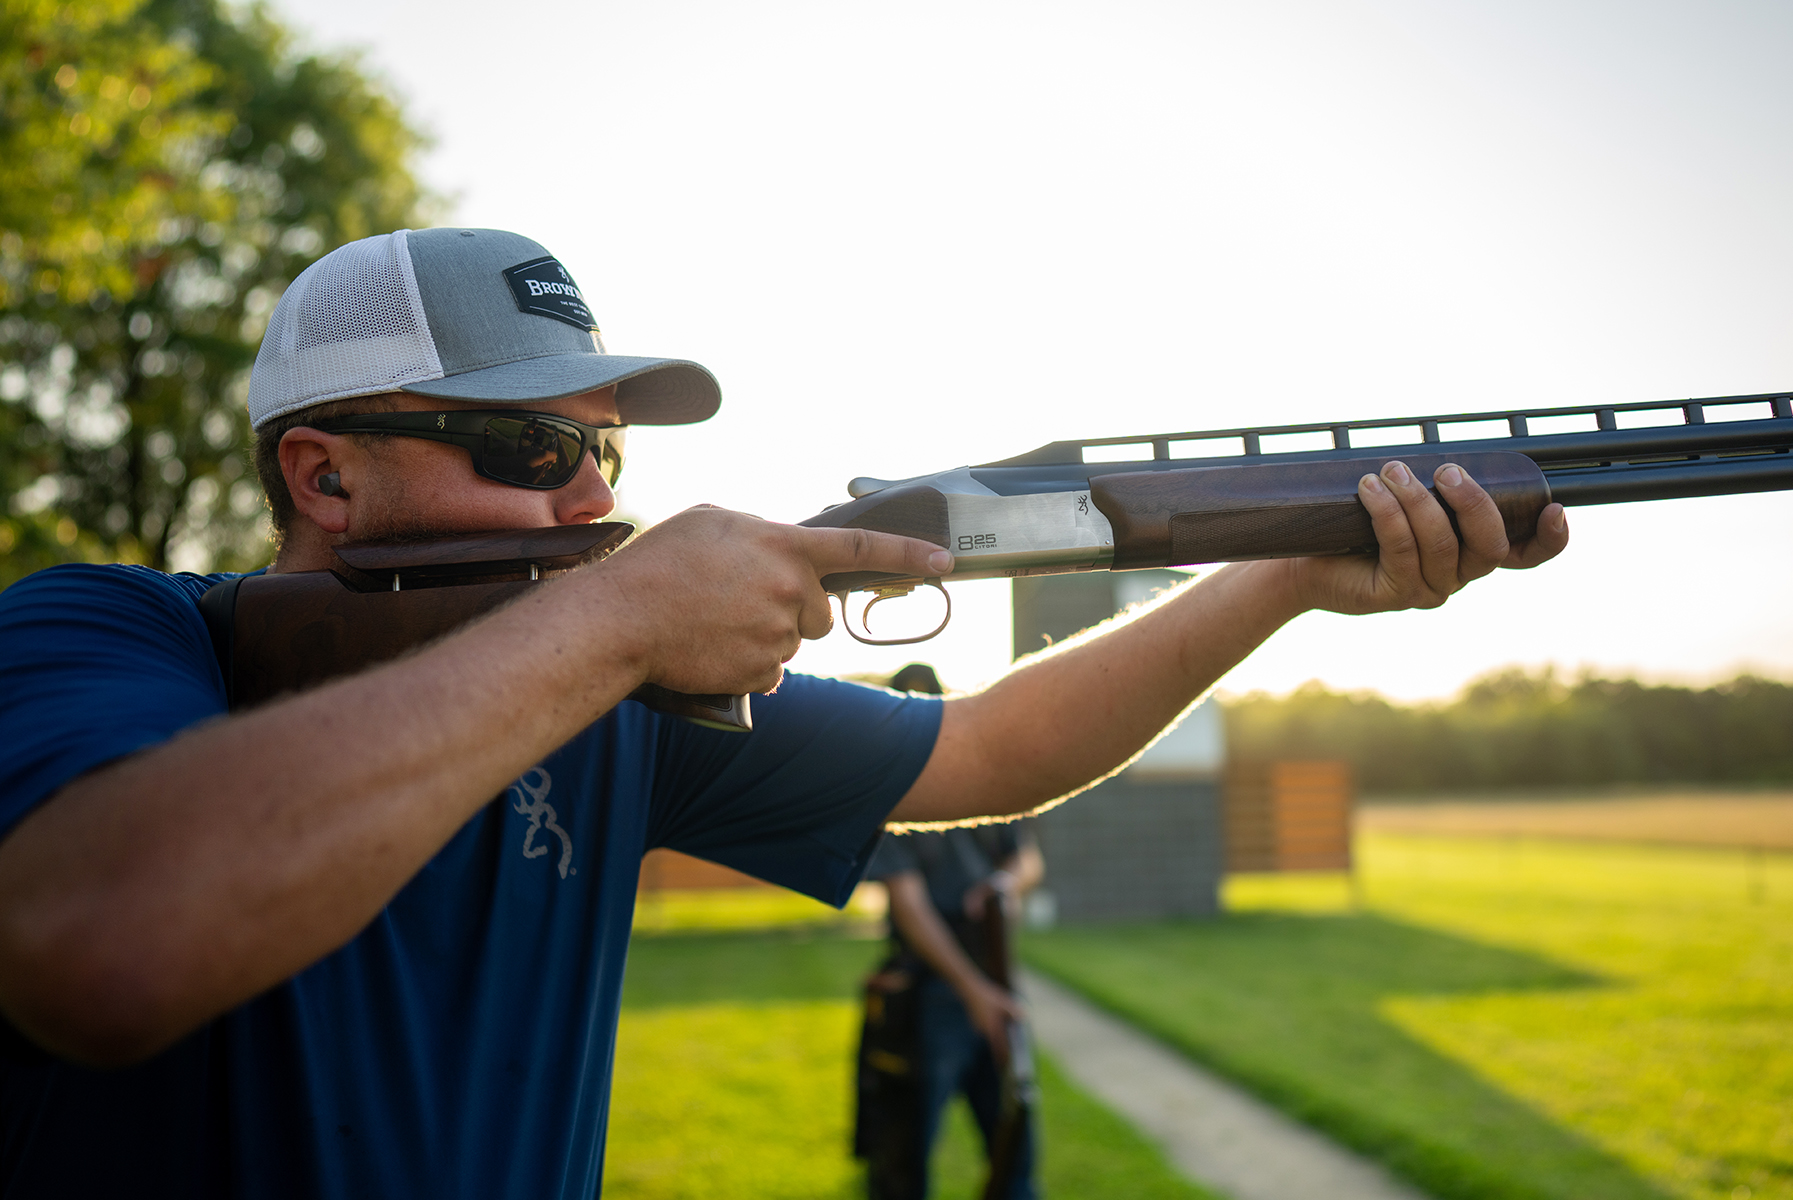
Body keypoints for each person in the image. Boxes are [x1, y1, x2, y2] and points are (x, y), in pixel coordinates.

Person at [0, 228, 1568, 1198]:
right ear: (322, 474)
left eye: (606, 451)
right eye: (532, 449)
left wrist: (1282, 576)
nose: (593, 501)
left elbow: (988, 750)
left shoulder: (600, 692)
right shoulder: (108, 630)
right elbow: (106, 941)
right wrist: (618, 617)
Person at [856, 664, 1045, 1200]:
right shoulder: (888, 794)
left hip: (994, 974)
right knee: (902, 1164)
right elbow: (910, 907)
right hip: (928, 995)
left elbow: (1028, 858)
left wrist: (1003, 885)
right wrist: (973, 992)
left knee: (1015, 1155)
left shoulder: (987, 774)